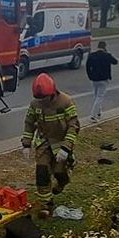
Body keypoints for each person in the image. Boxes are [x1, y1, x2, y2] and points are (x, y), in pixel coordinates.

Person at [21, 73, 80, 218]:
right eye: (39, 99)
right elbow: (29, 123)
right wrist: (26, 144)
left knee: (60, 172)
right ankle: (46, 204)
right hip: (44, 142)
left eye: (45, 98)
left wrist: (66, 148)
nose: (43, 102)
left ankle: (62, 182)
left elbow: (74, 126)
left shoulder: (66, 102)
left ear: (53, 93)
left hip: (61, 141)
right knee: (42, 172)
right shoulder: (35, 105)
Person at [85, 41, 118, 121]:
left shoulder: (92, 55)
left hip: (94, 79)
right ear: (105, 47)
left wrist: (90, 76)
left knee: (96, 96)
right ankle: (93, 115)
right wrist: (107, 53)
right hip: (104, 79)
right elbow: (115, 62)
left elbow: (87, 66)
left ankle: (98, 112)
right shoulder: (107, 55)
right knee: (99, 97)